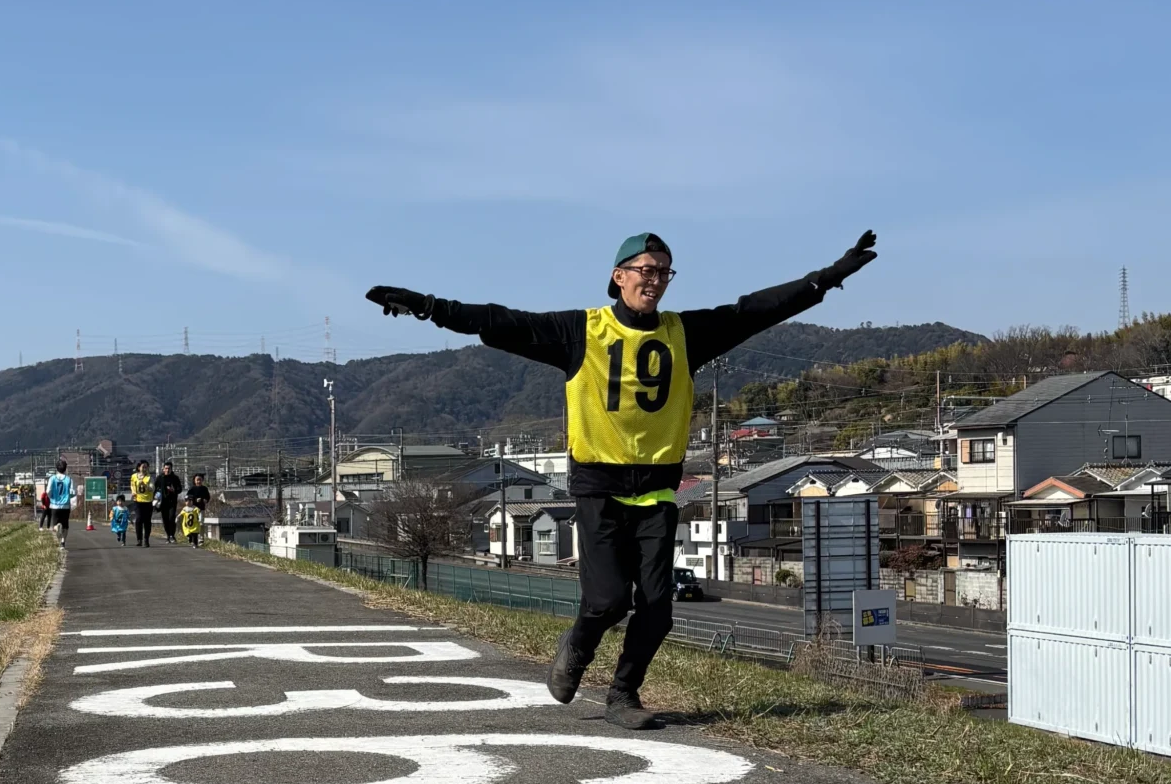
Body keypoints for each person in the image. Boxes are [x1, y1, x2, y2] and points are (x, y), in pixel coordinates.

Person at [367, 228, 877, 725]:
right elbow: (501, 322)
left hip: (656, 492)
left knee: (658, 607)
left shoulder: (684, 333)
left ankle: (623, 694)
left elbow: (758, 311)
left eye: (664, 272)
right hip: (600, 490)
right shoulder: (581, 331)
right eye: (646, 270)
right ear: (618, 275)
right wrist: (429, 306)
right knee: (607, 601)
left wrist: (829, 276)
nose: (655, 280)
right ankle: (577, 645)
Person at [45, 459, 76, 545]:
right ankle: (63, 542)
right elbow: (73, 493)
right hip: (65, 506)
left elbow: (48, 491)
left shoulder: (52, 478)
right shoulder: (69, 479)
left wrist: (52, 497)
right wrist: (70, 500)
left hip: (54, 505)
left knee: (54, 524)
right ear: (65, 469)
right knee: (65, 525)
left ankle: (57, 527)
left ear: (56, 468)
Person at [154, 460, 183, 543]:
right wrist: (155, 499)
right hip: (162, 502)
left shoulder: (175, 478)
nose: (167, 470)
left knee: (171, 518)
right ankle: (168, 536)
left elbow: (180, 489)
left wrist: (174, 490)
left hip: (172, 502)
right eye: (166, 468)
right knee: (165, 519)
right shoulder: (160, 478)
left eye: (169, 468)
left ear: (171, 469)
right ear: (163, 469)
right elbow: (155, 489)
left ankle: (172, 535)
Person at [129, 464, 156, 547]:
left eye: (146, 467)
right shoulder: (134, 476)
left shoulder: (149, 477)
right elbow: (133, 485)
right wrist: (133, 492)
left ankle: (146, 539)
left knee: (147, 521)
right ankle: (139, 539)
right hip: (138, 500)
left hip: (148, 501)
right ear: (139, 468)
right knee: (139, 519)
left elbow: (152, 488)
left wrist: (146, 486)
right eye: (143, 467)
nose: (144, 469)